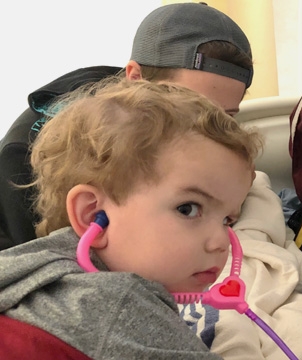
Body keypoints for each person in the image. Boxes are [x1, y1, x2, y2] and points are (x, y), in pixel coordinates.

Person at [0, 78, 263, 358]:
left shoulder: (29, 272)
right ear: (92, 216)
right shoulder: (119, 303)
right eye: (188, 209)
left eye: (227, 221)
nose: (220, 243)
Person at [0, 2, 254, 249]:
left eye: (226, 118)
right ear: (135, 78)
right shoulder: (26, 158)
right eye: (190, 108)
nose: (209, 135)